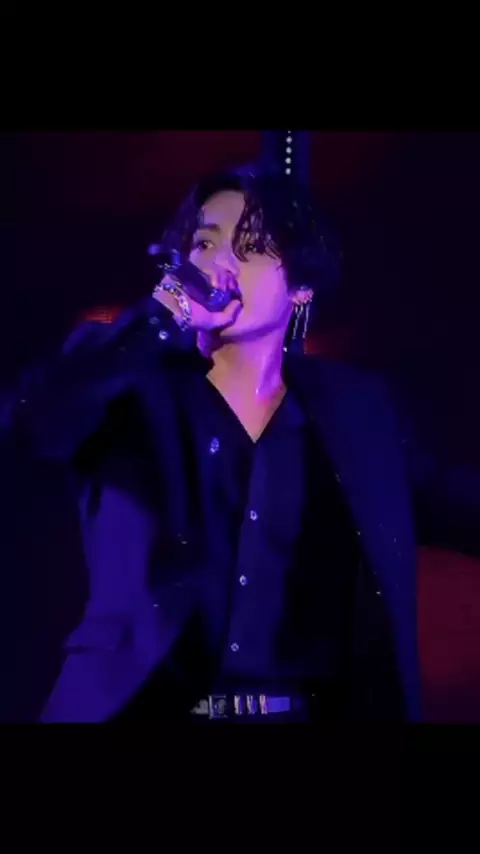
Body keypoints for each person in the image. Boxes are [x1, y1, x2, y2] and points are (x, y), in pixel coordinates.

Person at [3, 166, 480, 723]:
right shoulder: (128, 382)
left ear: (301, 287)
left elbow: (448, 504)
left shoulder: (355, 411)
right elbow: (33, 420)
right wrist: (158, 319)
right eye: (206, 243)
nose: (221, 264)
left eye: (251, 248)